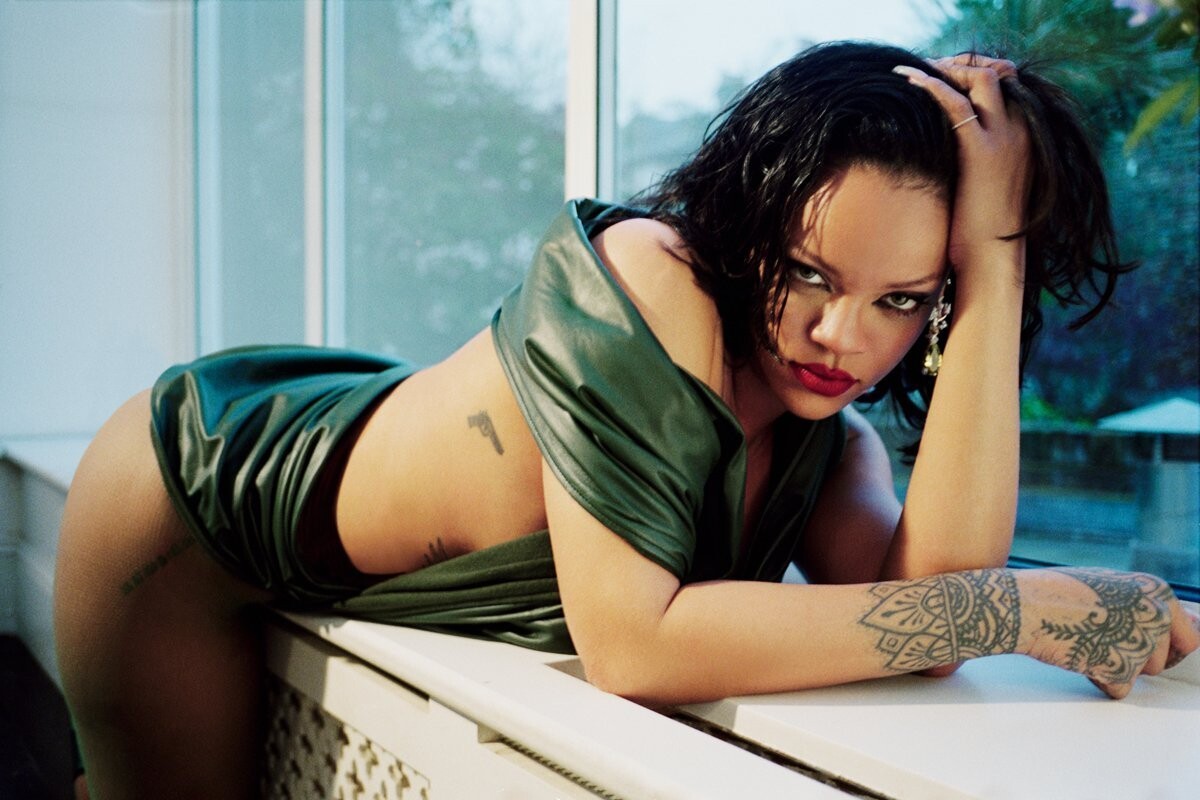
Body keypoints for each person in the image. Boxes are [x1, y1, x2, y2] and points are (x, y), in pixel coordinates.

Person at [54, 41, 1199, 798]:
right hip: (189, 505)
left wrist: (995, 262)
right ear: (749, 218)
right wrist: (1022, 610)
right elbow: (635, 646)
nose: (840, 336)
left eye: (902, 299)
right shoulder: (655, 273)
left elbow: (938, 605)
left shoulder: (835, 445)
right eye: (810, 271)